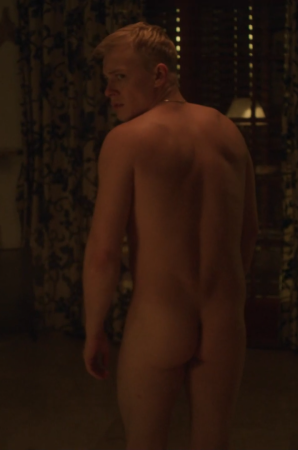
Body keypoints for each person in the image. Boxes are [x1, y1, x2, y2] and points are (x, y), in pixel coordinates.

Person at [82, 21, 259, 450]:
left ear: (159, 74)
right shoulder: (228, 131)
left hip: (160, 320)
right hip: (223, 320)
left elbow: (104, 252)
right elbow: (249, 230)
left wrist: (94, 329)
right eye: (107, 79)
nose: (109, 91)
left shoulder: (126, 141)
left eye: (120, 77)